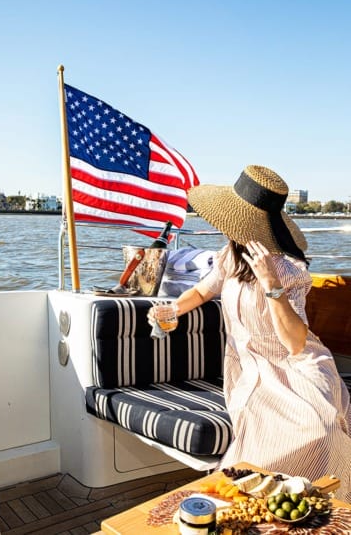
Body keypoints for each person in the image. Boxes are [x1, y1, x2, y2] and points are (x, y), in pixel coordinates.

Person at [149, 165, 351, 503]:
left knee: (320, 429)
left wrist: (272, 285)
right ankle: (268, 505)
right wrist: (172, 310)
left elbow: (296, 343)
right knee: (270, 434)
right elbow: (201, 292)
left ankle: (316, 506)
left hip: (296, 369)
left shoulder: (288, 271)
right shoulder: (230, 256)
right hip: (248, 370)